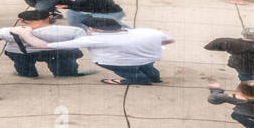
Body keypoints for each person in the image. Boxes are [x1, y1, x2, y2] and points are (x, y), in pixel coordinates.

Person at [18, 16, 171, 86]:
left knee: (131, 72)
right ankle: (155, 78)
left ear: (94, 29)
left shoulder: (93, 39)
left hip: (118, 62)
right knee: (148, 67)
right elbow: (167, 40)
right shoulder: (145, 32)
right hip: (146, 58)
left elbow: (45, 46)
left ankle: (139, 81)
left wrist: (25, 34)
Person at [0, 9, 88, 78]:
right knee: (67, 61)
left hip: (21, 54)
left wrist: (2, 37)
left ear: (21, 20)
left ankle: (27, 73)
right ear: (49, 17)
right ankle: (67, 72)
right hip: (57, 53)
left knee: (25, 69)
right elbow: (82, 43)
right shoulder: (73, 30)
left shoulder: (8, 31)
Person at [52, 0, 125, 27]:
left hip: (106, 12)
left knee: (107, 25)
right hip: (79, 11)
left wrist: (68, 6)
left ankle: (128, 31)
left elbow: (93, 8)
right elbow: (58, 1)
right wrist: (53, 7)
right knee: (74, 21)